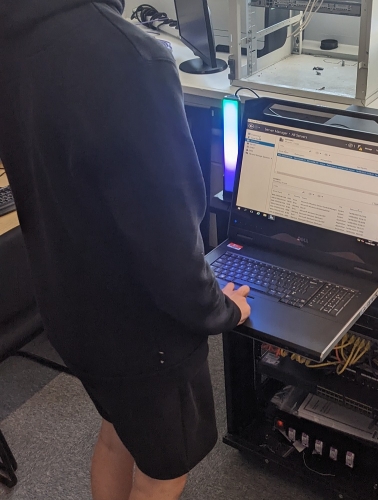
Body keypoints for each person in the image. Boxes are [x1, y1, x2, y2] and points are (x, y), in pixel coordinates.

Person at [0, 1, 251, 499]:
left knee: (119, 433)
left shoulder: (17, 32)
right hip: (144, 333)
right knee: (164, 468)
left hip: (70, 308)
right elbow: (168, 236)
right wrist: (221, 310)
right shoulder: (131, 58)